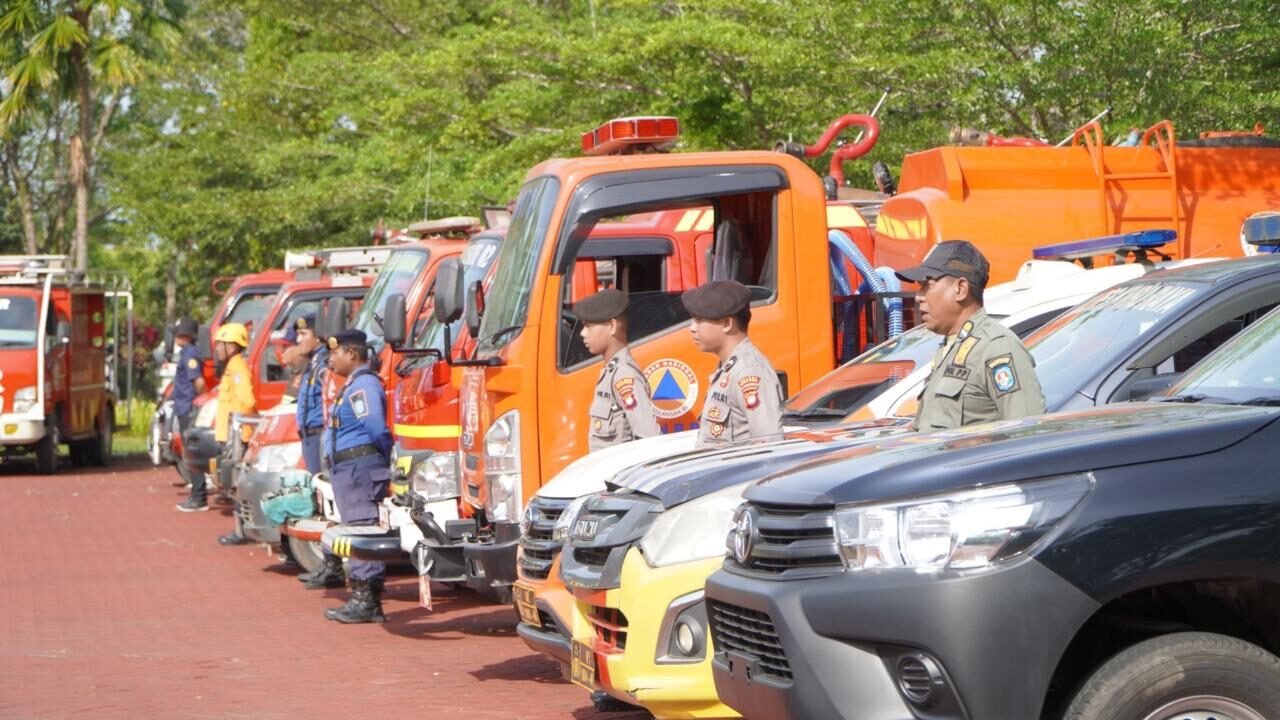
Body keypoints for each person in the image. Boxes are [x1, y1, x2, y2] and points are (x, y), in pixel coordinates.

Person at [896, 240, 1046, 432]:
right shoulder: (950, 347)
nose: (919, 296)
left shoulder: (997, 347)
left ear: (960, 289)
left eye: (927, 285)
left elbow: (1027, 433)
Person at [315, 329, 393, 624]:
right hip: (349, 469)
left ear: (351, 353)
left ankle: (367, 601)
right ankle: (363, 597)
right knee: (355, 529)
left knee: (362, 530)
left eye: (335, 353)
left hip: (360, 468)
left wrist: (384, 457)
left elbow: (374, 426)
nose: (330, 359)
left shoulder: (364, 385)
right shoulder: (352, 384)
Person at [682, 280, 784, 448]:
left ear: (727, 324)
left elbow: (769, 446)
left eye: (699, 320)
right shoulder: (729, 367)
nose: (692, 328)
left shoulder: (749, 371)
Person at [178, 322, 256, 513]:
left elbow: (247, 401)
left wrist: (236, 425)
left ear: (233, 346)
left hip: (236, 435)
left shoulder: (237, 368)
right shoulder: (232, 367)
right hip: (230, 434)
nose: (218, 349)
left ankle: (241, 526)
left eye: (222, 345)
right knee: (231, 478)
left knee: (238, 479)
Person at [573, 289, 660, 451]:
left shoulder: (624, 375)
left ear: (612, 326)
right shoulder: (610, 372)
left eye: (588, 326)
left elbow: (649, 437)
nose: (582, 333)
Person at [169, 318, 206, 488]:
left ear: (184, 335)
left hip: (187, 407)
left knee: (191, 451)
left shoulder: (190, 354)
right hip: (184, 406)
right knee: (188, 449)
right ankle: (197, 491)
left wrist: (202, 402)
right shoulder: (187, 353)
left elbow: (198, 382)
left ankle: (198, 492)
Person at [289, 315, 327, 476]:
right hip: (309, 438)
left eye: (303, 334)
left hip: (319, 436)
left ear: (317, 336)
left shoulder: (324, 362)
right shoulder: (312, 363)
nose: (298, 340)